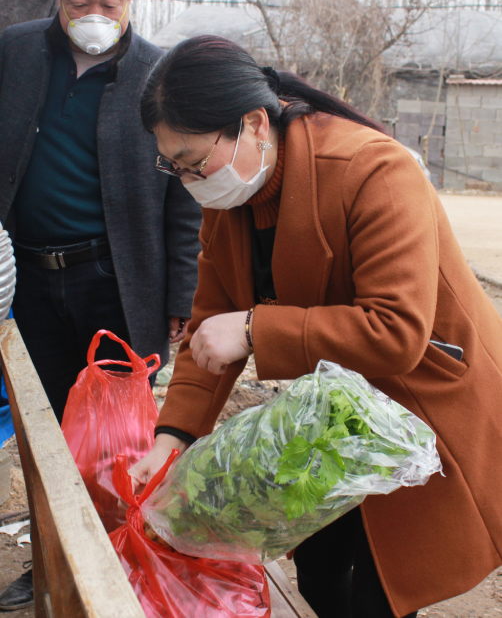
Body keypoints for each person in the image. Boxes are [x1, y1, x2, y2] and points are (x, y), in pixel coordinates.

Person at [128, 34, 502, 618]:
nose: (190, 181)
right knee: (321, 576)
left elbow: (397, 330)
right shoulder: (230, 202)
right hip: (333, 415)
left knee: (381, 590)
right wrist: (172, 436)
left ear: (253, 123)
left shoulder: (374, 169)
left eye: (195, 162)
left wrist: (254, 328)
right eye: (172, 167)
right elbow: (208, 328)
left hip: (424, 405)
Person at [0, 0, 201, 610]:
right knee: (46, 430)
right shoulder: (16, 54)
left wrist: (178, 296)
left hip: (116, 278)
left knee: (120, 436)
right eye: (78, 1)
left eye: (107, 2)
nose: (93, 15)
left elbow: (183, 204)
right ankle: (54, 553)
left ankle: (121, 555)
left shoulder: (157, 74)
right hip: (27, 277)